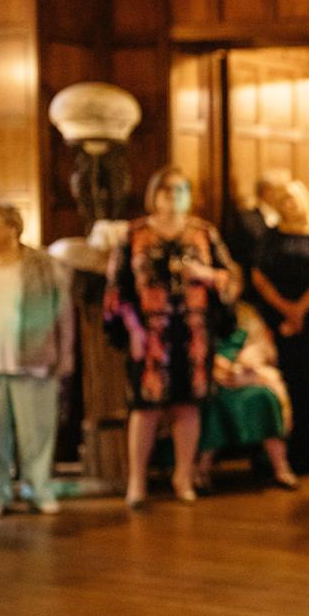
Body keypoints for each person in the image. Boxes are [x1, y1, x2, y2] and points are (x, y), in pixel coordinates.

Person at [104, 166, 238, 507]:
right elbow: (116, 289)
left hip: (194, 331)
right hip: (149, 333)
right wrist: (132, 329)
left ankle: (183, 475)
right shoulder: (134, 234)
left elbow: (230, 279)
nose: (173, 198)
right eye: (166, 191)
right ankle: (136, 482)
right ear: (154, 196)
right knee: (145, 407)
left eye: (180, 191)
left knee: (188, 406)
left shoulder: (204, 233)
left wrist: (204, 274)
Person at [0, 200, 75, 518]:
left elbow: (62, 311)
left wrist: (65, 354)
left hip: (34, 359)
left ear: (12, 227)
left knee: (36, 431)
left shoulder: (41, 263)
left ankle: (38, 487)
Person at [250, 180, 309, 474]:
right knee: (290, 384)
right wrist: (286, 308)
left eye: (294, 199)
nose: (289, 205)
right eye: (284, 200)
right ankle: (287, 457)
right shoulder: (271, 236)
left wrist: (302, 308)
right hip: (281, 320)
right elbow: (258, 275)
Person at [194, 301, 298, 491]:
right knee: (213, 408)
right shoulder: (199, 313)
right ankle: (201, 471)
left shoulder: (245, 315)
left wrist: (244, 366)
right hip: (212, 380)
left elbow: (263, 350)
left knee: (266, 397)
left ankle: (281, 467)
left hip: (246, 376)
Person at [227, 167, 292, 278]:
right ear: (267, 191)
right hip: (254, 280)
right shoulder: (246, 219)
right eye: (280, 190)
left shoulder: (289, 217)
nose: (284, 196)